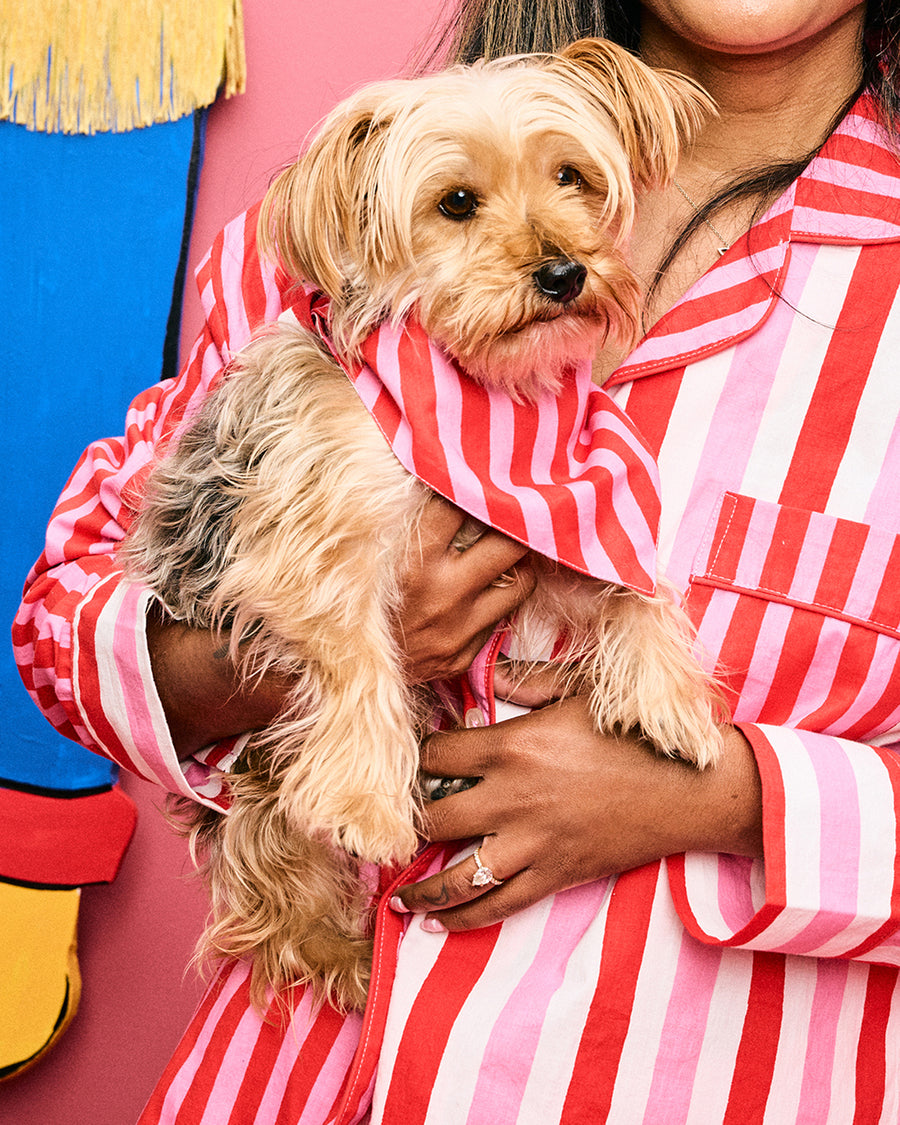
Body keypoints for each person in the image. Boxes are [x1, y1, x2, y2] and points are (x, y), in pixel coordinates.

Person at [13, 0, 900, 1120]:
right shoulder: (338, 217)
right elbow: (62, 625)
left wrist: (727, 800)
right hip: (301, 1075)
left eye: (573, 188)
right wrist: (318, 660)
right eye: (467, 208)